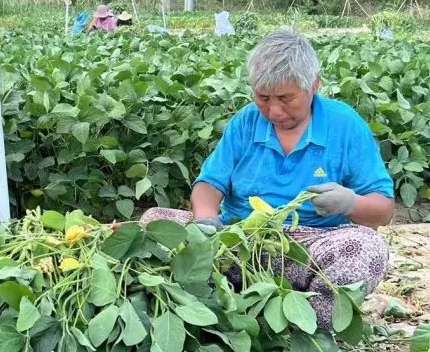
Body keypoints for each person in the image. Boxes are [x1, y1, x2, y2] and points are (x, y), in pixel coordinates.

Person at [139, 29, 394, 329]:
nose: (273, 110)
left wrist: (349, 203)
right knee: (153, 222)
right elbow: (209, 184)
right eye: (263, 97)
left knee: (368, 249)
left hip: (309, 250)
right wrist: (206, 222)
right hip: (236, 244)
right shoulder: (247, 121)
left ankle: (300, 327)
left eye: (286, 98)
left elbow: (384, 209)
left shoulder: (344, 124)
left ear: (314, 85)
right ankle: (223, 308)